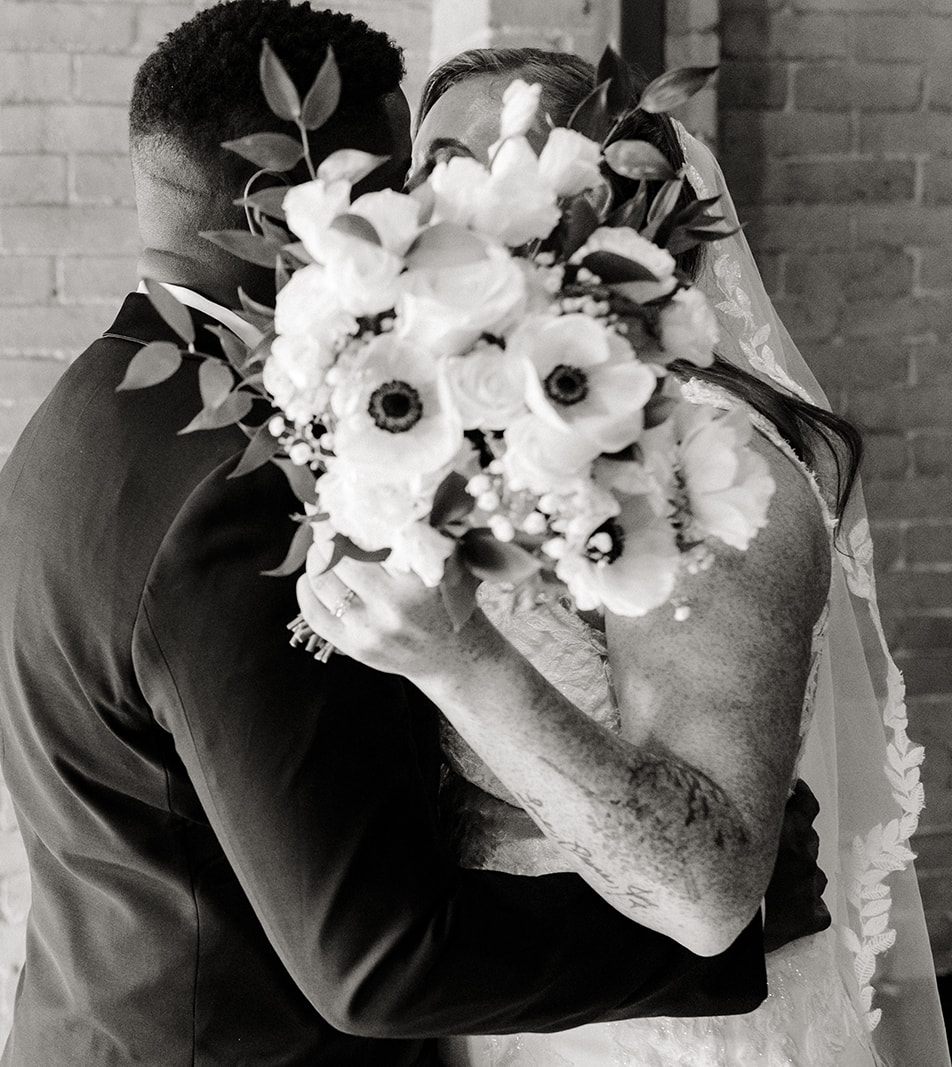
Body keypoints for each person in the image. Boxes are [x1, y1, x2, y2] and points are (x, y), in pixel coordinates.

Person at [0, 6, 832, 1064]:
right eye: (406, 184)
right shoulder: (248, 475)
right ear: (280, 201)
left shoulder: (95, 414)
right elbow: (374, 958)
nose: (427, 219)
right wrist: (736, 937)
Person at [297, 46, 951, 1066]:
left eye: (494, 171)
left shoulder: (704, 462)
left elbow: (706, 895)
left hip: (672, 1036)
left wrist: (456, 661)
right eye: (430, 176)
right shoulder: (450, 435)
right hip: (511, 1013)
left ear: (609, 205)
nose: (446, 211)